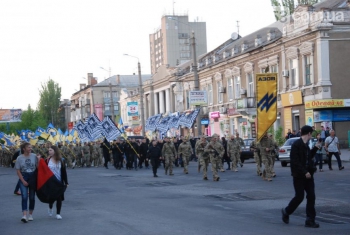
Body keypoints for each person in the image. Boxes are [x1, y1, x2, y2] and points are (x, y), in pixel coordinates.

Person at [282, 125, 320, 228]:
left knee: (311, 196)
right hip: (299, 176)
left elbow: (308, 157)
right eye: (311, 133)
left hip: (308, 175)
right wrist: (304, 172)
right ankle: (286, 211)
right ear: (308, 133)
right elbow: (295, 161)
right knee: (299, 197)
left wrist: (316, 148)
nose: (311, 135)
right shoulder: (296, 145)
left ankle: (310, 220)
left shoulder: (306, 145)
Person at [15, 142, 41, 223]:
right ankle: (24, 215)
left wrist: (39, 160)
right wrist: (22, 180)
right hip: (24, 176)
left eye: (31, 147)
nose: (30, 149)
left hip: (33, 177)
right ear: (24, 149)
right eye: (29, 147)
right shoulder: (19, 158)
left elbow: (38, 167)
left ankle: (30, 215)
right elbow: (18, 171)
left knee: (32, 197)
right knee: (24, 196)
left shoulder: (34, 156)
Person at [46, 146, 69, 220]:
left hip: (59, 182)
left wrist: (66, 182)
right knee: (51, 198)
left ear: (55, 151)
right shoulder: (47, 160)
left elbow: (64, 172)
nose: (49, 151)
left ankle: (58, 213)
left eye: (50, 150)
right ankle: (50, 207)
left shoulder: (61, 160)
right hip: (50, 182)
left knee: (59, 198)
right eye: (49, 150)